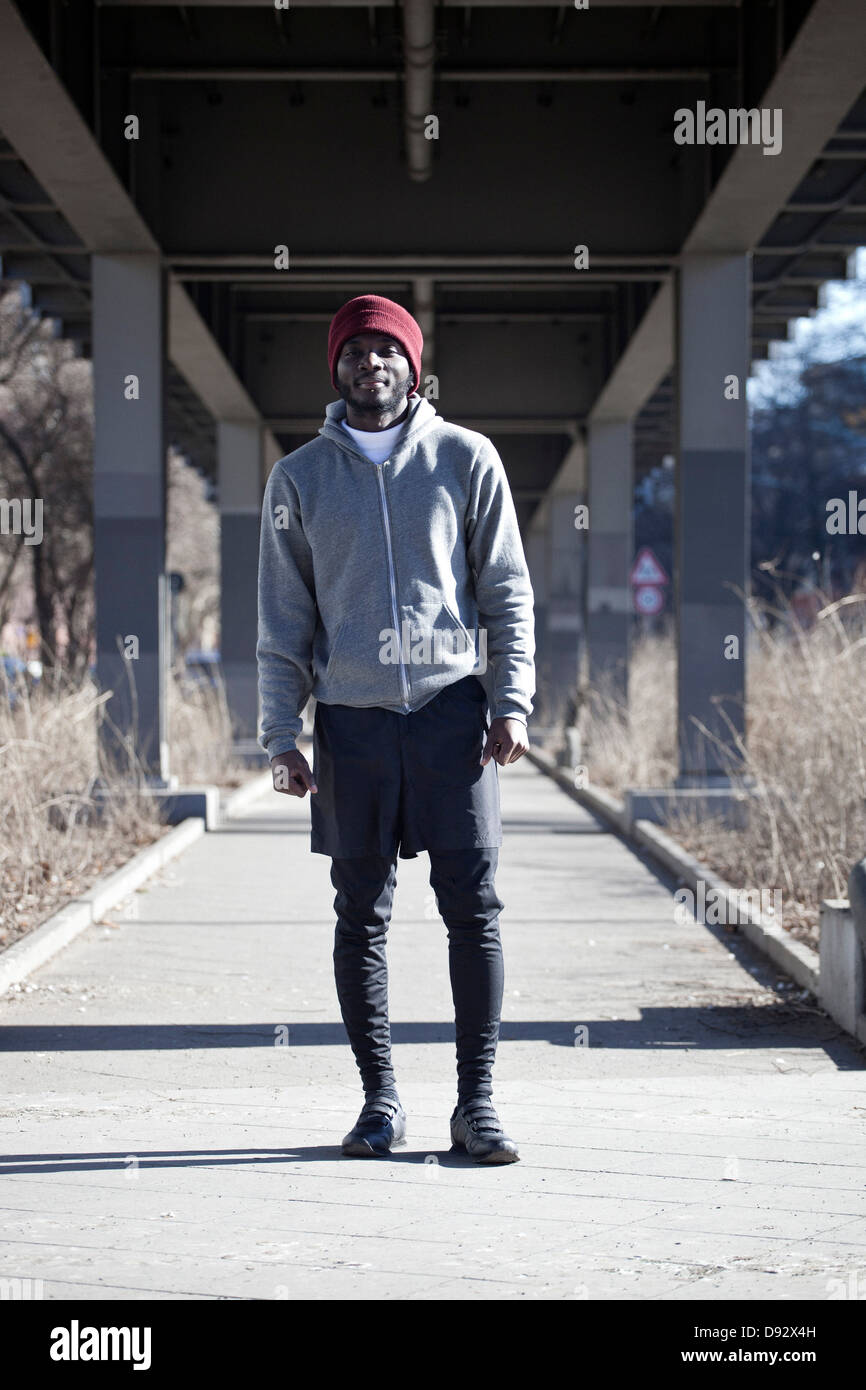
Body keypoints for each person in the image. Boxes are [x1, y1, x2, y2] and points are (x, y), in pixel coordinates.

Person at [256, 294, 535, 1163]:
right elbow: (282, 617)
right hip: (353, 722)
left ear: (413, 367)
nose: (370, 362)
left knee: (474, 912)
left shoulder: (466, 458)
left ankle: (476, 1106)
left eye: (387, 350)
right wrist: (279, 733)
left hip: (453, 715)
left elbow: (507, 590)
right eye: (354, 351)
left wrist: (510, 700)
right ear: (336, 368)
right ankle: (380, 1102)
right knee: (360, 916)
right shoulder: (298, 478)